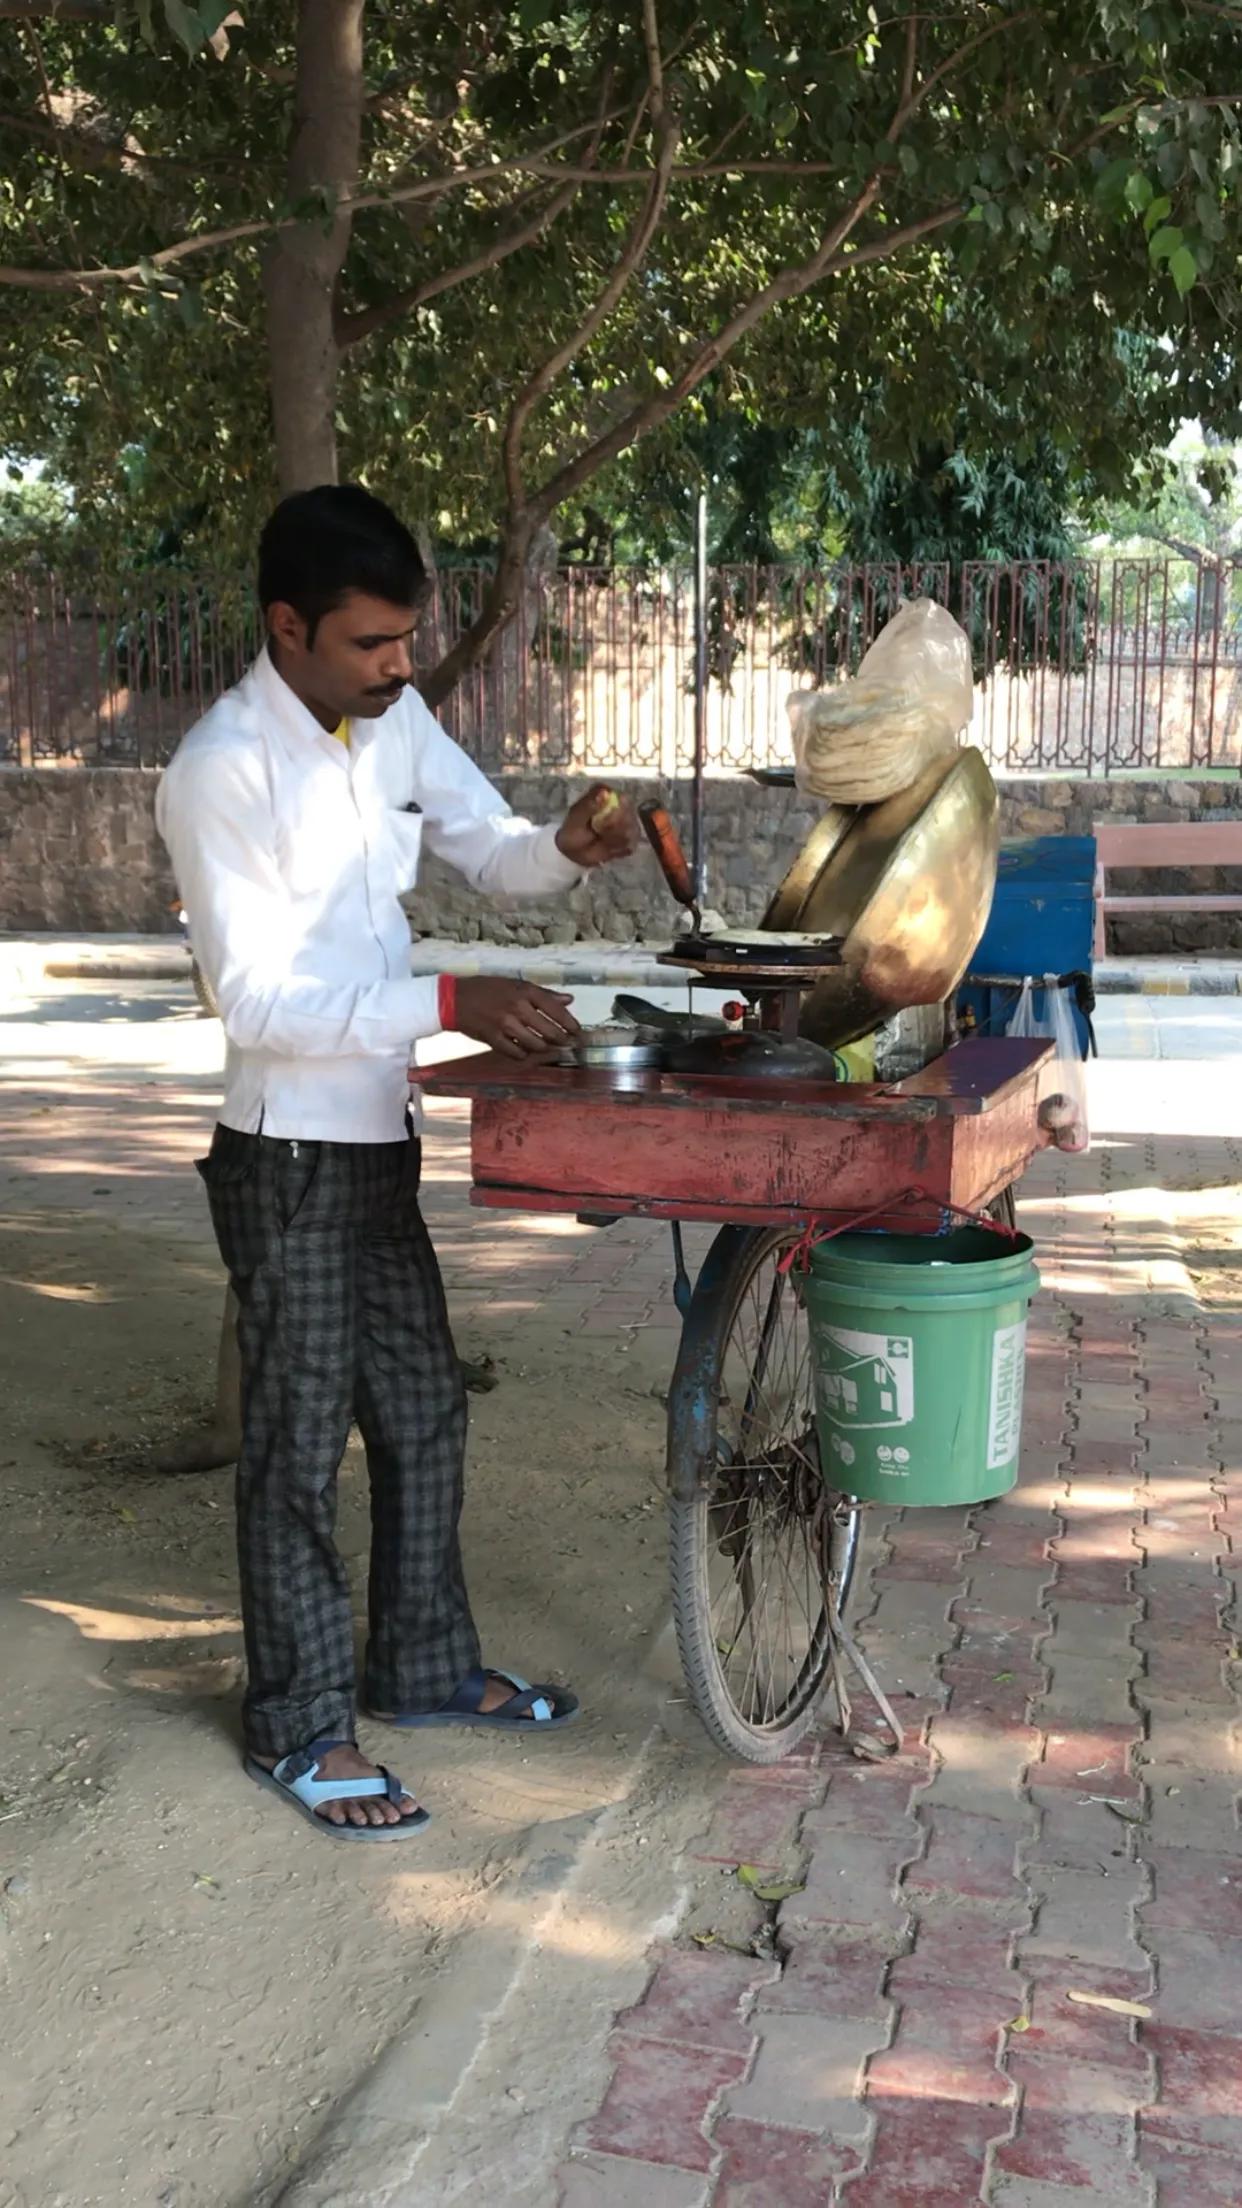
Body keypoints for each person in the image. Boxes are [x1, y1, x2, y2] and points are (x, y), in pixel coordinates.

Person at [156, 484, 640, 1842]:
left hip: (374, 1145)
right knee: (298, 1449)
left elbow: (490, 848)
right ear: (287, 625)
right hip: (285, 1157)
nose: (399, 664)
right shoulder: (219, 768)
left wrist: (564, 849)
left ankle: (420, 1668)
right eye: (372, 642)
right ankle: (300, 1728)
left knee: (423, 1414)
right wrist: (446, 1004)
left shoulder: (392, 721)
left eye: (407, 638)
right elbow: (253, 1003)